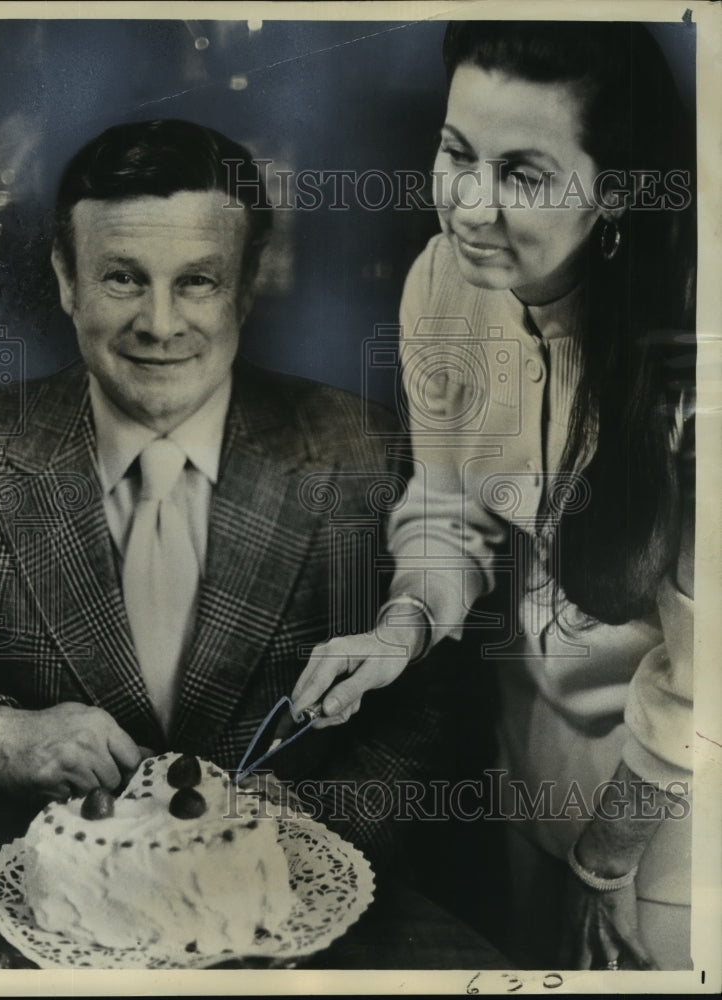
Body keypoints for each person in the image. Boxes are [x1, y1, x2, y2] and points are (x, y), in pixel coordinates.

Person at [291, 21, 696, 969]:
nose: (469, 206)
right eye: (455, 153)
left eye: (522, 173)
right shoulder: (444, 284)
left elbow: (705, 670)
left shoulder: (695, 354)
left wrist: (609, 863)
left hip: (675, 798)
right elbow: (445, 513)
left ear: (618, 192)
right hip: (532, 760)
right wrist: (399, 630)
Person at [0, 118, 439, 870]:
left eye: (197, 281)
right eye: (123, 277)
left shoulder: (369, 453)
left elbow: (427, 717)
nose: (159, 324)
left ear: (245, 288)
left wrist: (307, 844)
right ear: (64, 279)